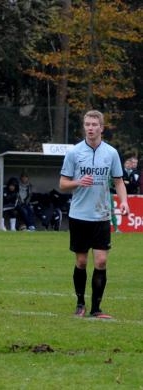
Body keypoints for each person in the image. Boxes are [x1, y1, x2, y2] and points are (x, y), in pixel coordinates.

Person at [60, 110, 129, 319]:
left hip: (101, 215)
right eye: (87, 124)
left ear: (101, 128)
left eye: (94, 124)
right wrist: (78, 182)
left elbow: (118, 181)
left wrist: (124, 201)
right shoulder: (74, 153)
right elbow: (62, 184)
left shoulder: (111, 153)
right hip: (79, 215)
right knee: (81, 262)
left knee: (100, 262)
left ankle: (96, 308)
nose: (90, 128)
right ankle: (80, 304)